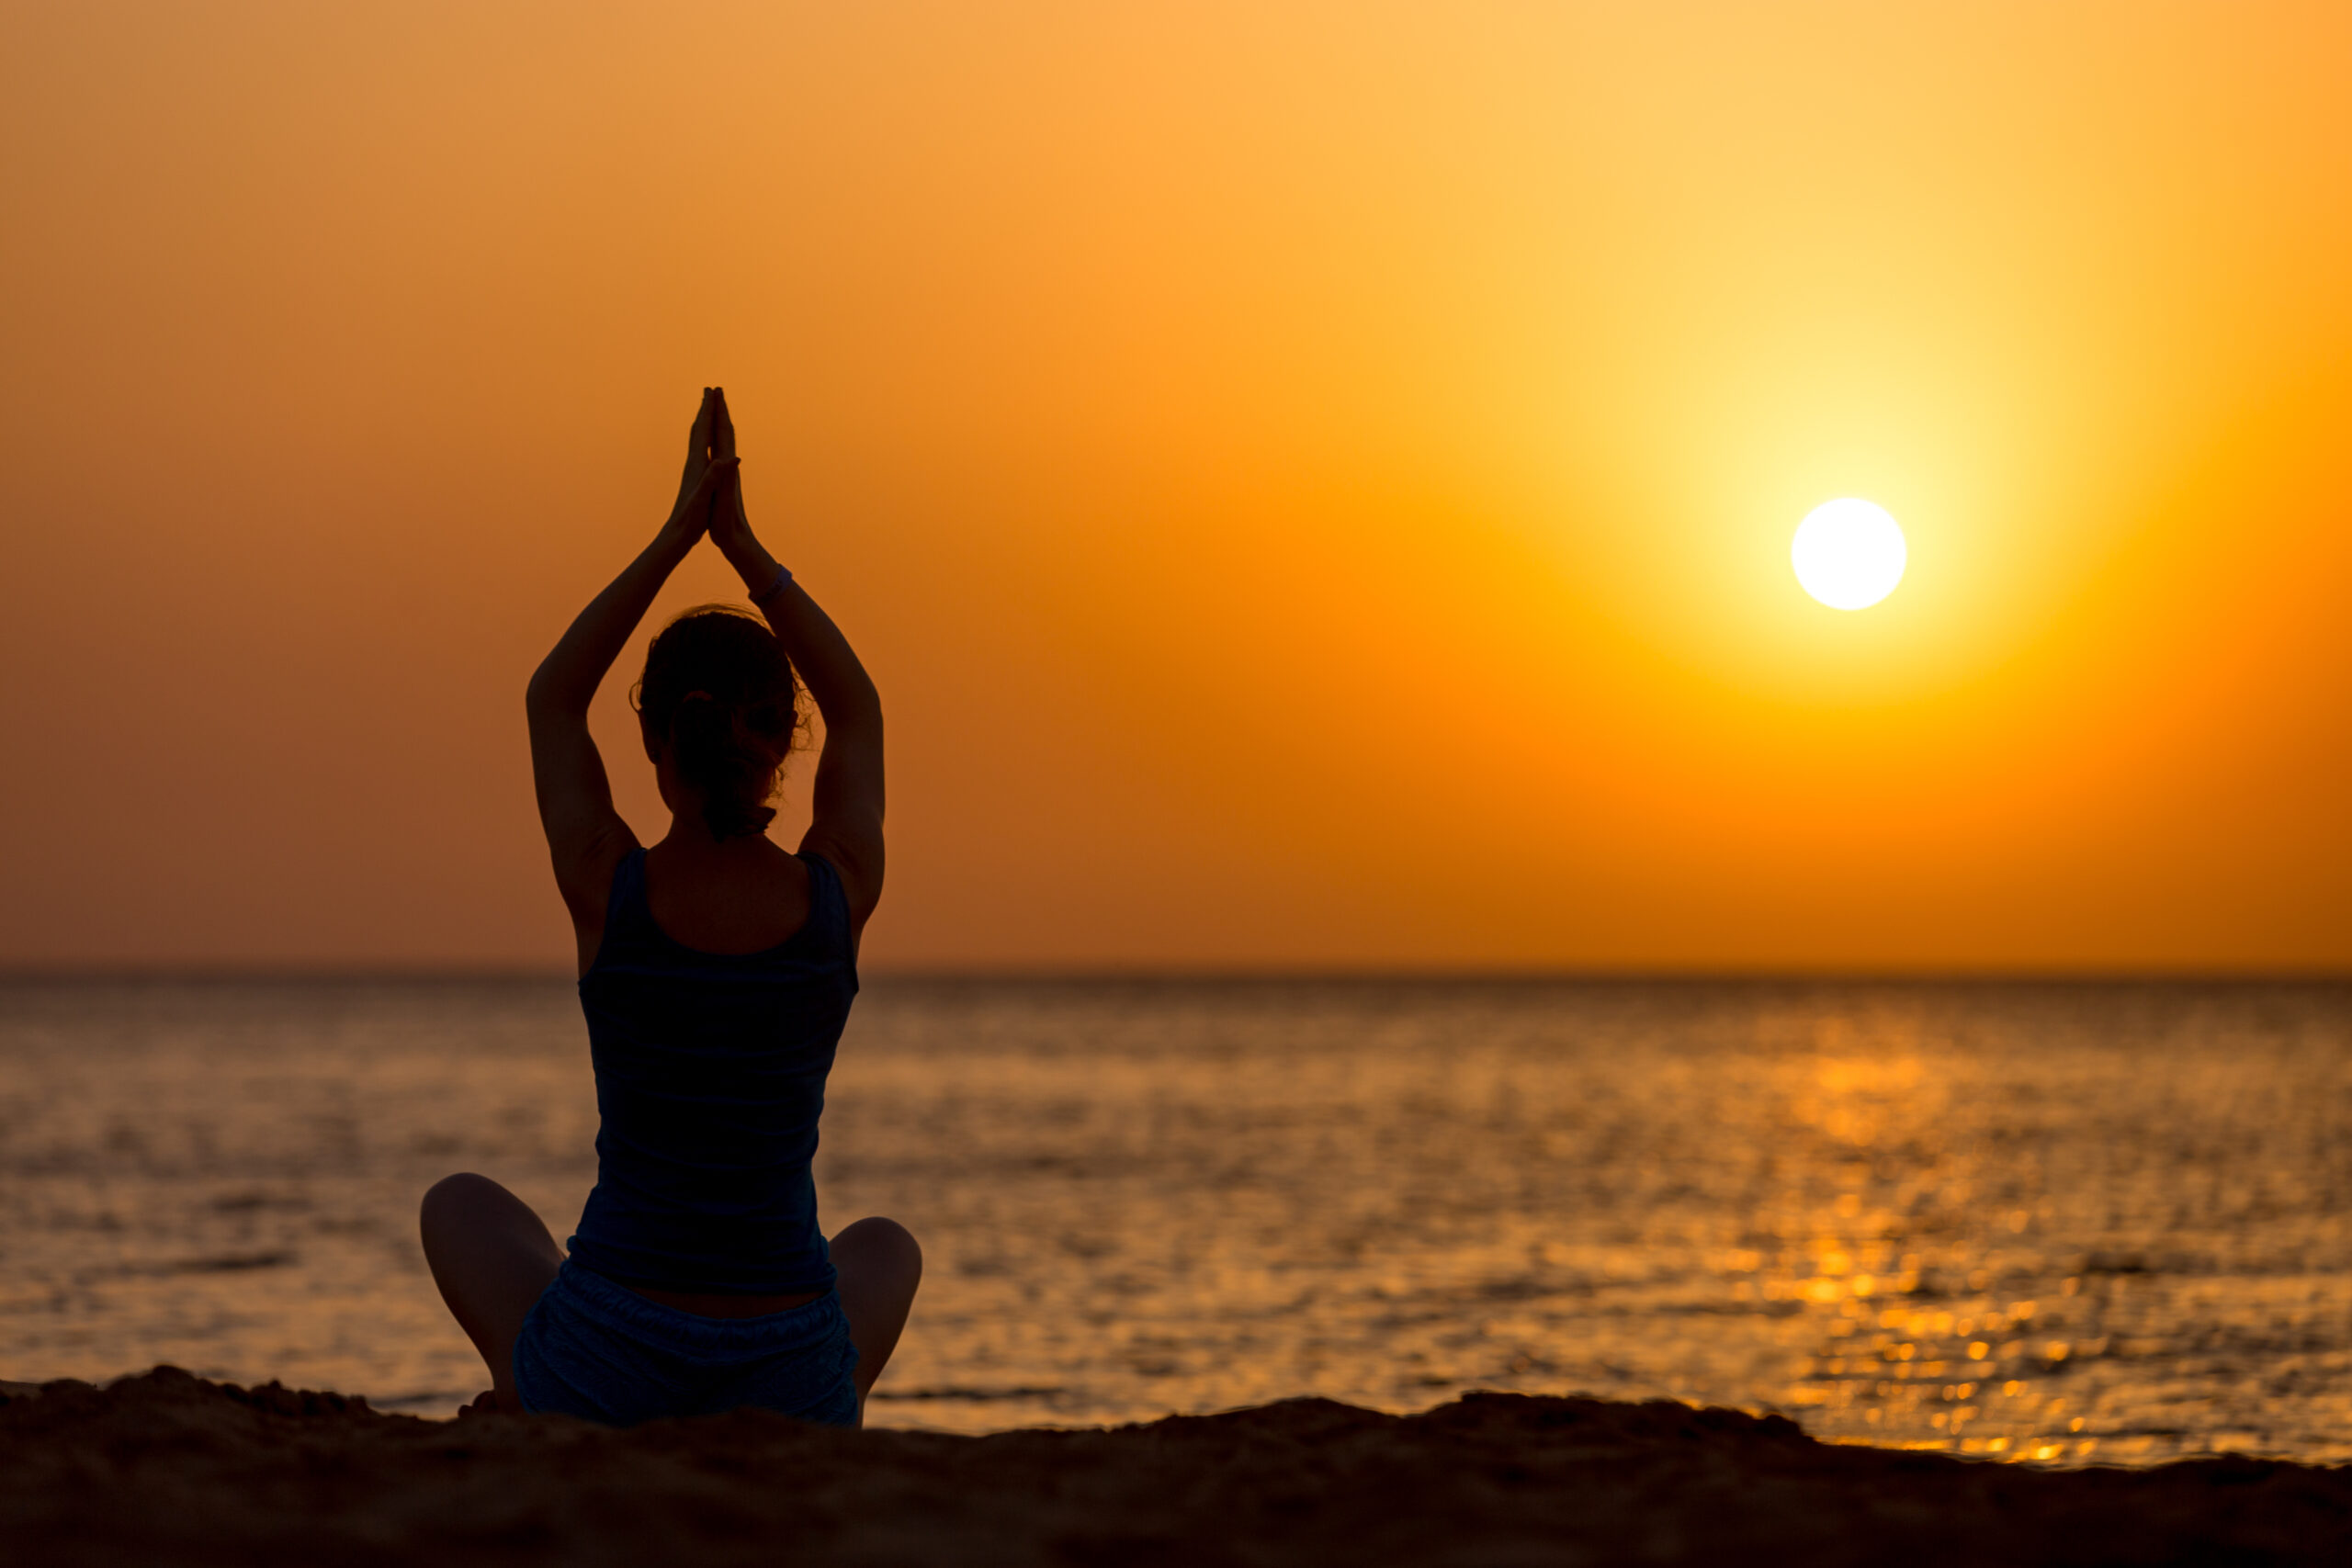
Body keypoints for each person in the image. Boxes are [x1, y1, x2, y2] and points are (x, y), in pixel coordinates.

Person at [418, 388, 920, 1426]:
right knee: (885, 1249)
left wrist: (675, 536)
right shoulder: (836, 894)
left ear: (653, 742)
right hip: (786, 1369)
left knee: (458, 1205)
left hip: (611, 1359)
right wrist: (744, 549)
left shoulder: (609, 883)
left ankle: (532, 1390)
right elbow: (863, 703)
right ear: (785, 742)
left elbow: (551, 695)